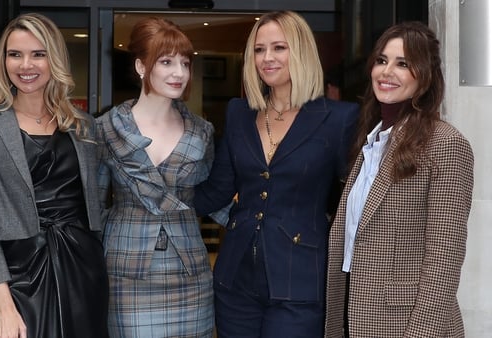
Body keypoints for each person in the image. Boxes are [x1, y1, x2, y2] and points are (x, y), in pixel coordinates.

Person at [193, 11, 359, 337]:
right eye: (258, 49)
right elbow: (218, 190)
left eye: (279, 48)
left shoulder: (340, 118)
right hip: (234, 279)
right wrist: (157, 194)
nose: (266, 58)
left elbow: (350, 203)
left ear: (300, 51)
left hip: (301, 282)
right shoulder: (239, 113)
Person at [0, 13, 108, 338]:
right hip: (18, 273)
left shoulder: (82, 126)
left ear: (55, 59)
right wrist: (3, 304)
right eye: (15, 54)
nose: (26, 65)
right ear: (3, 60)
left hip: (82, 267)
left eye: (38, 54)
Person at [324, 21, 474, 337]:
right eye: (382, 60)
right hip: (355, 313)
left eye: (403, 64)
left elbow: (444, 258)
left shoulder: (446, 143)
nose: (386, 71)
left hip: (407, 324)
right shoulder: (371, 140)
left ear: (425, 76)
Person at [95, 17, 215, 337]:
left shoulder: (203, 132)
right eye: (166, 62)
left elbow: (212, 198)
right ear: (141, 66)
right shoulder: (105, 128)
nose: (179, 72)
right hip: (126, 271)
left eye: (185, 63)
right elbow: (92, 207)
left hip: (190, 273)